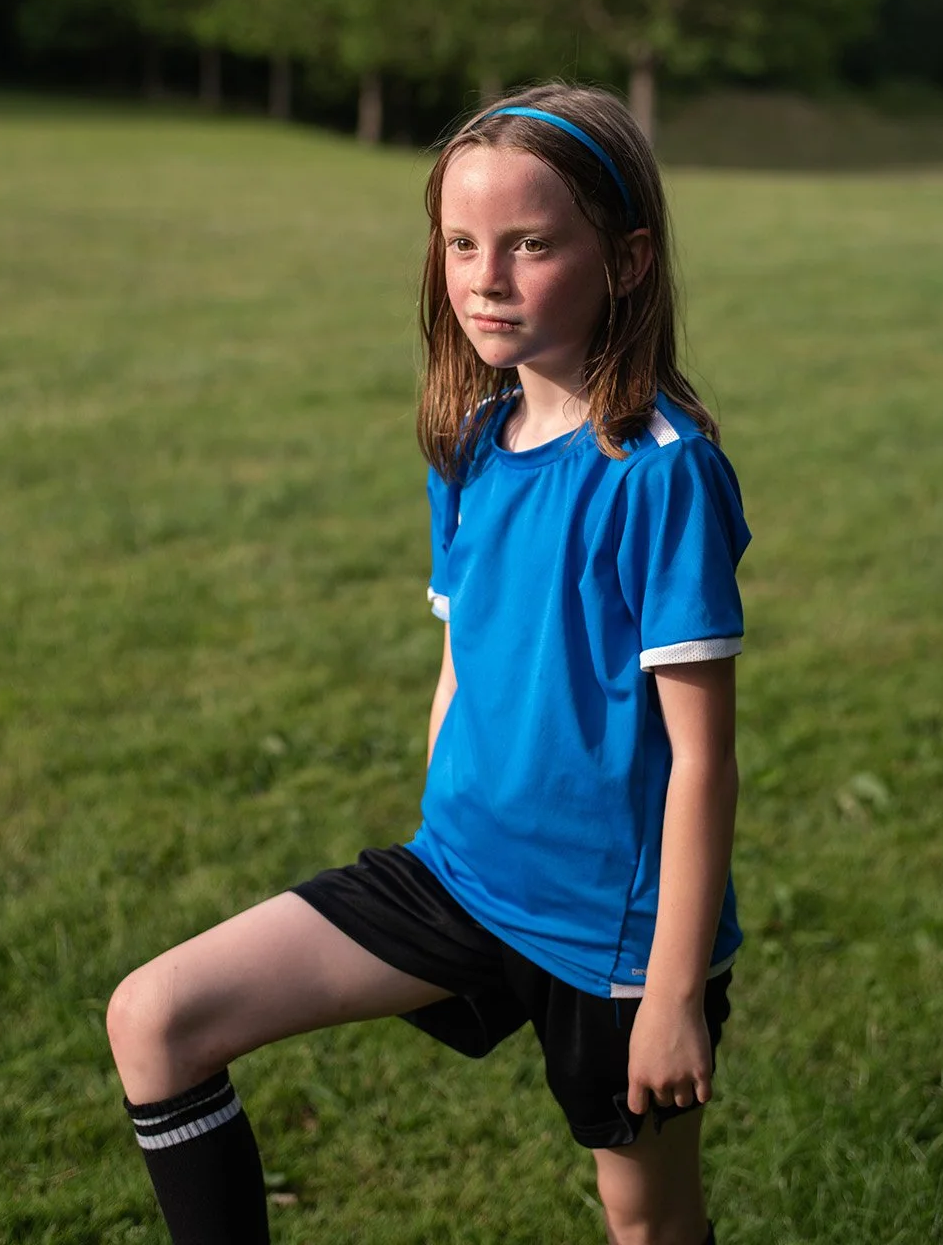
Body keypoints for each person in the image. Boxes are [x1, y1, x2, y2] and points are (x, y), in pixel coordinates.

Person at [106, 82, 750, 1245]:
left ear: (629, 258)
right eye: (461, 242)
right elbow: (460, 663)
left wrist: (670, 996)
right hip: (459, 873)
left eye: (532, 243)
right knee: (156, 1016)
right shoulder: (466, 441)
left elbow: (703, 760)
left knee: (645, 1216)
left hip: (617, 934)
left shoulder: (661, 473)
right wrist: (436, 826)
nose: (486, 276)